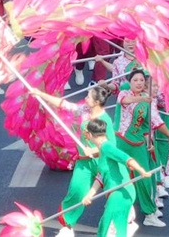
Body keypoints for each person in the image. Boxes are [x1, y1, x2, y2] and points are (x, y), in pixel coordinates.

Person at [28, 84, 114, 237]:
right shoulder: (85, 111)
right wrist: (40, 94)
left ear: (96, 102)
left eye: (88, 96)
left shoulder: (105, 119)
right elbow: (64, 104)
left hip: (103, 163)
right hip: (84, 163)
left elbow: (111, 145)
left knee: (114, 196)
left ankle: (115, 226)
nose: (85, 98)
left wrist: (93, 150)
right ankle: (67, 226)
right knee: (76, 192)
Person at [115, 69, 169, 227]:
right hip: (121, 142)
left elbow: (155, 121)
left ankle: (149, 213)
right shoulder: (124, 93)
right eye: (135, 80)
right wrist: (143, 99)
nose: (139, 83)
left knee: (145, 177)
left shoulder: (149, 101)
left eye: (141, 80)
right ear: (130, 82)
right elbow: (125, 101)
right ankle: (118, 212)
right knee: (118, 178)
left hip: (138, 143)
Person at [82, 118, 152, 237]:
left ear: (89, 135)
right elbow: (100, 177)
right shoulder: (103, 149)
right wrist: (89, 195)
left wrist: (141, 171)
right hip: (119, 193)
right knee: (111, 227)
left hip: (120, 193)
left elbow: (125, 158)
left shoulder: (106, 147)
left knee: (107, 228)